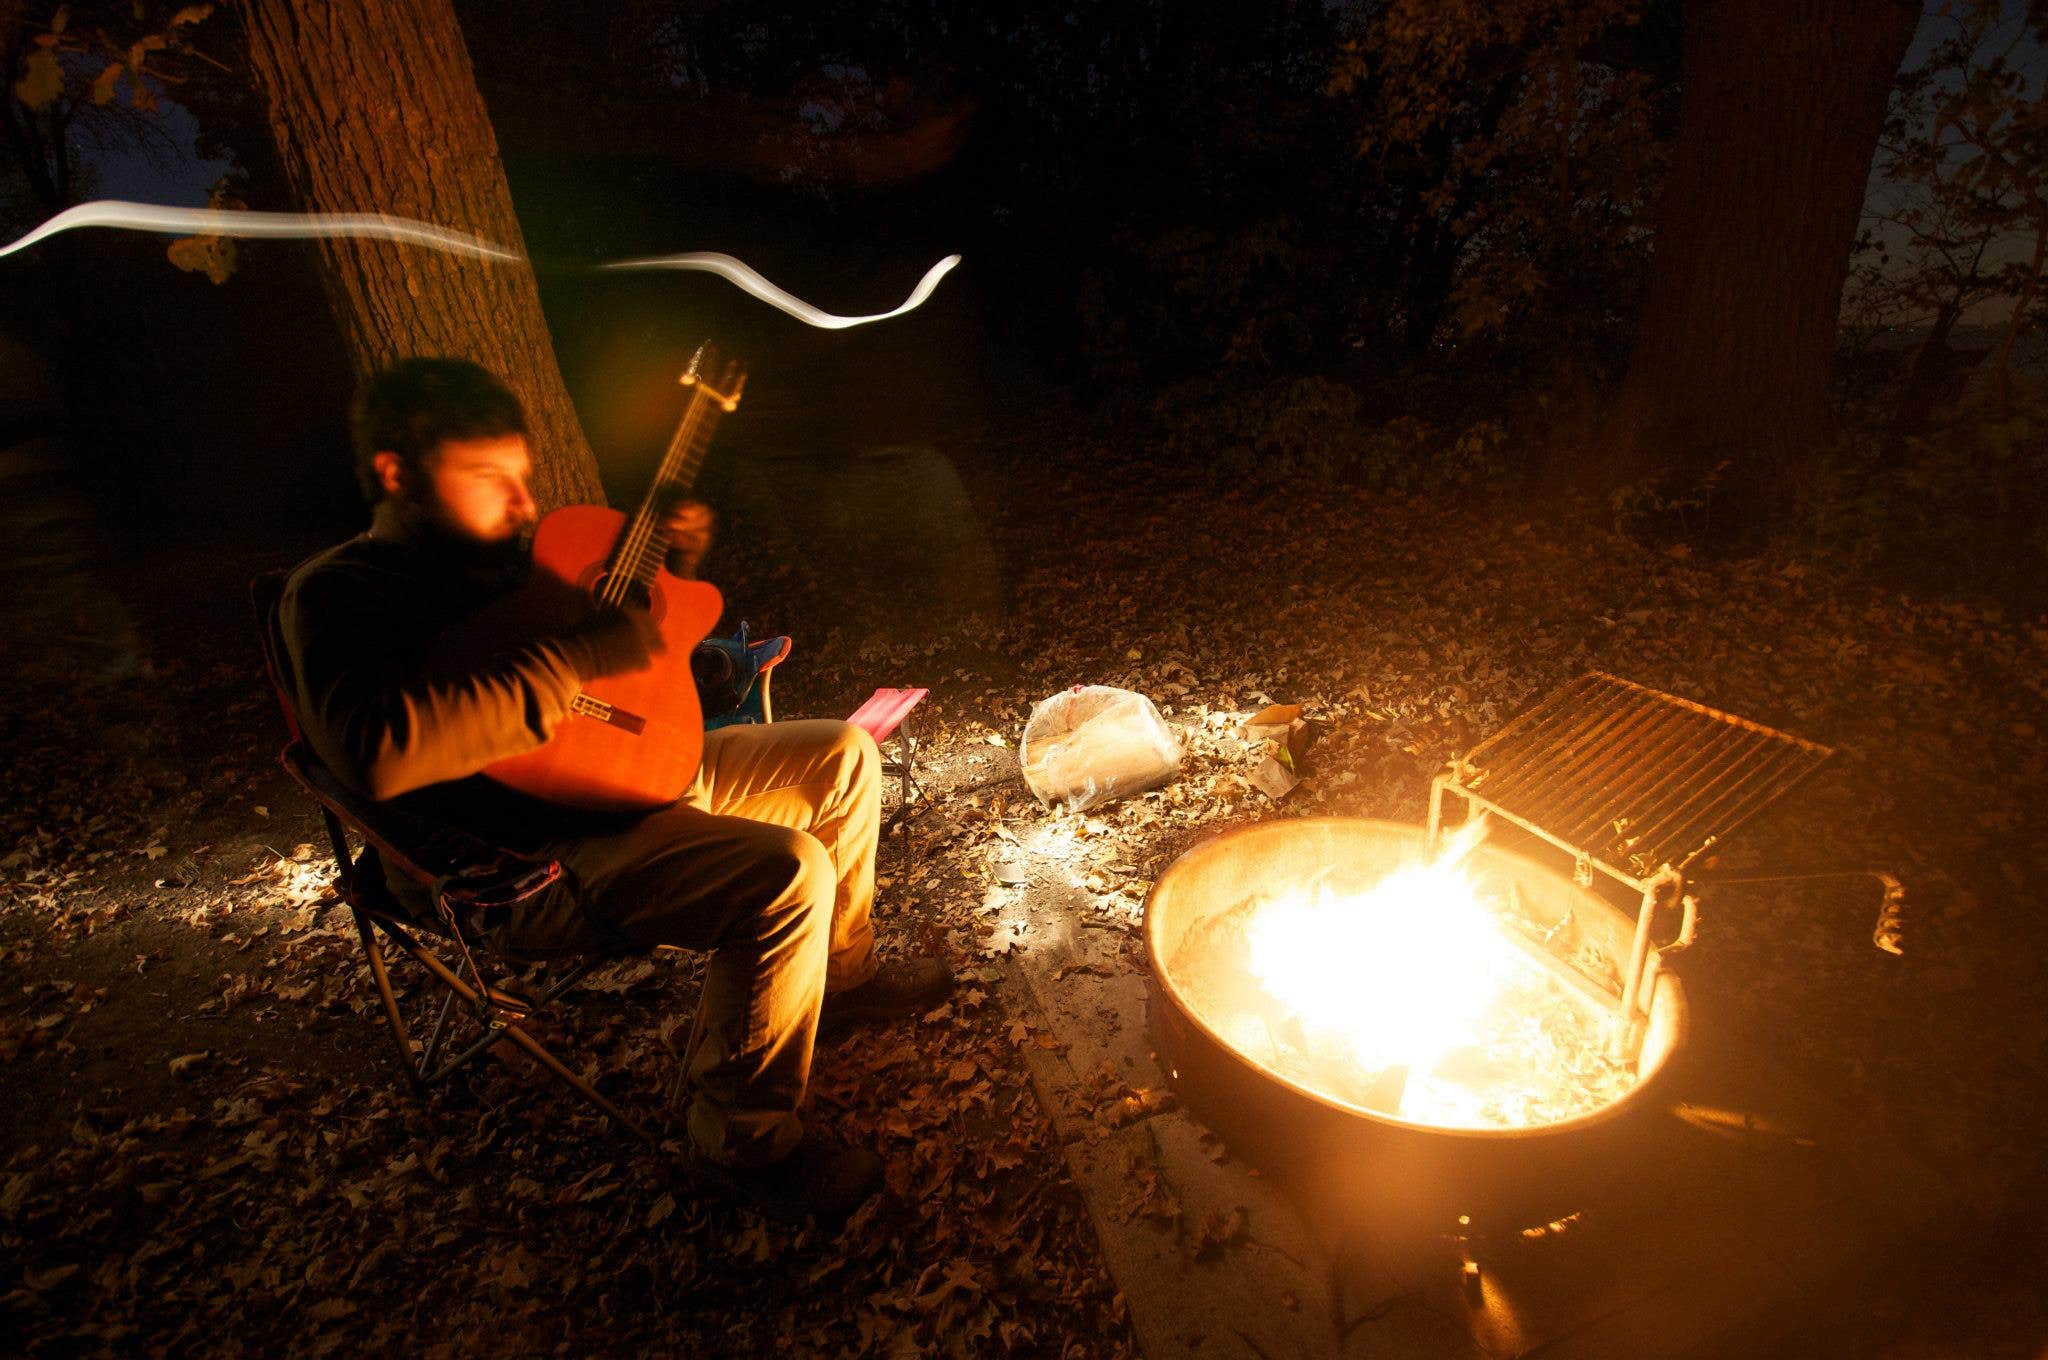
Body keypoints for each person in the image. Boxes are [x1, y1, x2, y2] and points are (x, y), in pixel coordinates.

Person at [279, 357, 951, 1220]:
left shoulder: (510, 562)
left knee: (843, 754)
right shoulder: (339, 596)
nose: (524, 504)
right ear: (396, 475)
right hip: (524, 858)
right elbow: (378, 750)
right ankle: (740, 1144)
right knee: (785, 874)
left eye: (523, 479)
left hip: (619, 781)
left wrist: (665, 581)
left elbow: (614, 681)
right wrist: (579, 656)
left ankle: (841, 981)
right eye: (492, 480)